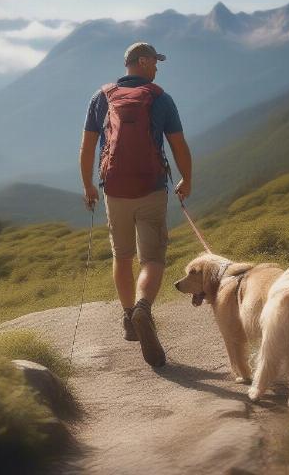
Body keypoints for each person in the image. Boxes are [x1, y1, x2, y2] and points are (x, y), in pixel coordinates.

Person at [79, 41, 192, 367]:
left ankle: (129, 318)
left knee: (123, 255)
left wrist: (88, 184)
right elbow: (178, 145)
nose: (156, 67)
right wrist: (187, 179)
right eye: (154, 62)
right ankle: (144, 308)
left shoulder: (101, 97)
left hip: (115, 191)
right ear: (141, 62)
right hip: (151, 189)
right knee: (153, 258)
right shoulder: (160, 98)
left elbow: (87, 147)